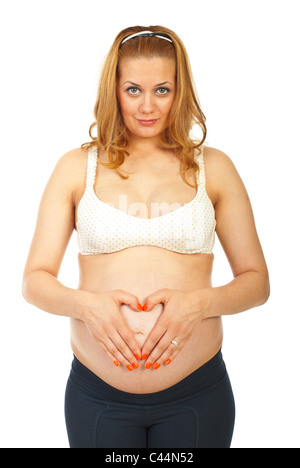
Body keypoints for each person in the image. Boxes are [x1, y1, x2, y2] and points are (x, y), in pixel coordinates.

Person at [22, 25, 270, 449]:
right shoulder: (75, 167)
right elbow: (35, 280)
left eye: (163, 90)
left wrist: (198, 304)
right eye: (134, 89)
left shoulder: (214, 167)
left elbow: (257, 282)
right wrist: (87, 306)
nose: (148, 106)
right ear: (114, 90)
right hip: (97, 396)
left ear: (180, 91)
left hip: (196, 395)